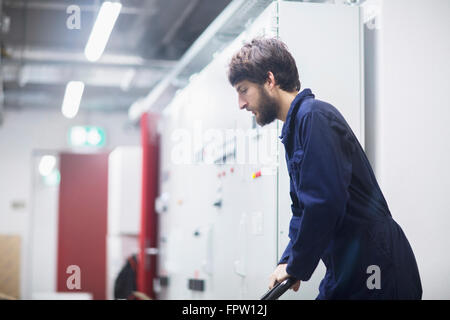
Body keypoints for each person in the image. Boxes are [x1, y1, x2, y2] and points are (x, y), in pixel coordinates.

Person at [227, 37, 422, 299]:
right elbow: (302, 210)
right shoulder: (295, 128)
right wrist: (287, 262)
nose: (241, 103)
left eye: (243, 90)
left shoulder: (314, 117)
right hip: (347, 264)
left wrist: (296, 265)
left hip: (375, 265)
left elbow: (324, 203)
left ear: (269, 81)